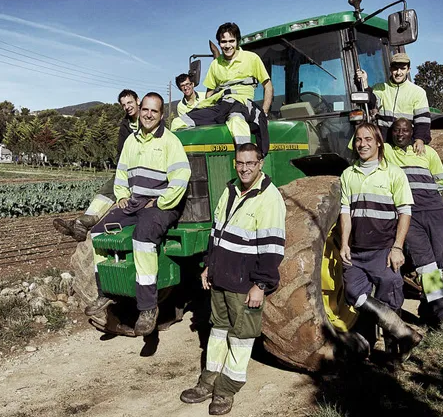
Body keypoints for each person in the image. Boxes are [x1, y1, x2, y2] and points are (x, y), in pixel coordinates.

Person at [180, 143, 285, 415]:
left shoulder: (269, 198)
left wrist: (260, 285)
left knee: (241, 337)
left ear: (260, 164)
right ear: (234, 163)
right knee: (217, 331)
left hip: (244, 283)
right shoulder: (230, 190)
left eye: (250, 163)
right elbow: (216, 233)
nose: (244, 168)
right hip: (221, 278)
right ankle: (208, 382)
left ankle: (226, 390)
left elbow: (272, 248)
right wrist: (208, 266)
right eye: (240, 163)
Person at [84, 92, 191, 336]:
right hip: (134, 203)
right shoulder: (131, 142)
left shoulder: (170, 141)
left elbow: (180, 178)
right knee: (99, 233)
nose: (148, 115)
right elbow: (121, 173)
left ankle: (147, 307)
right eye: (145, 110)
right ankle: (105, 292)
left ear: (161, 115)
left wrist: (161, 201)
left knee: (143, 238)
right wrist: (122, 196)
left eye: (154, 111)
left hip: (162, 205)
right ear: (140, 110)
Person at [340, 122, 422, 361]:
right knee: (353, 293)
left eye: (368, 139)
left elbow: (405, 212)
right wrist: (344, 244)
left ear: (378, 143)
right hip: (356, 251)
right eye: (358, 139)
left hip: (384, 250)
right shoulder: (348, 174)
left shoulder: (394, 173)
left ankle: (393, 356)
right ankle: (404, 333)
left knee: (390, 296)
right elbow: (345, 213)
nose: (362, 144)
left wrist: (397, 248)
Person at [384, 118, 443, 327]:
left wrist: (426, 197)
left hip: (434, 211)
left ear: (413, 132)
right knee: (426, 264)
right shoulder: (387, 151)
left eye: (405, 130)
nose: (401, 134)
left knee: (438, 263)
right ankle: (442, 314)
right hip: (409, 215)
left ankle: (428, 309)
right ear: (391, 133)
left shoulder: (428, 152)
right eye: (396, 130)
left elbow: (441, 182)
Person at [170, 23, 273, 153]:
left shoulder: (251, 58)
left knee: (237, 121)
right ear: (219, 43)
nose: (227, 45)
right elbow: (209, 93)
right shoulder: (215, 64)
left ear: (237, 41)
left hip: (241, 104)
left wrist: (264, 114)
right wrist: (208, 107)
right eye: (223, 42)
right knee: (177, 122)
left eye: (231, 41)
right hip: (222, 105)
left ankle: (245, 159)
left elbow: (268, 86)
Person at [53, 89, 140, 241]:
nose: (127, 107)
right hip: (129, 166)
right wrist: (122, 169)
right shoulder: (125, 125)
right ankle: (82, 223)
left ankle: (82, 224)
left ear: (138, 101)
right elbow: (121, 151)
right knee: (108, 189)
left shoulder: (149, 116)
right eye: (124, 105)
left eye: (130, 102)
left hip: (146, 167)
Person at [355, 53, 431, 154]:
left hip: (406, 144)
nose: (398, 72)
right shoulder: (379, 88)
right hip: (384, 142)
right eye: (395, 68)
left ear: (408, 70)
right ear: (390, 69)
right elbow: (371, 103)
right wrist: (364, 84)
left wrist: (419, 139)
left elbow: (422, 120)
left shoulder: (418, 92)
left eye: (402, 68)